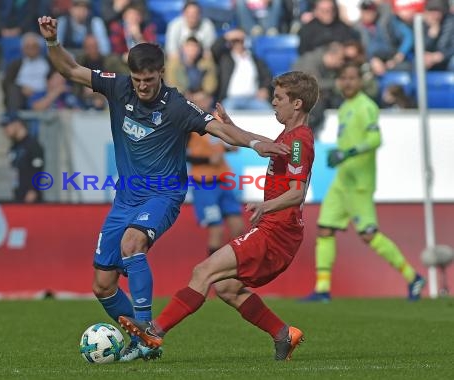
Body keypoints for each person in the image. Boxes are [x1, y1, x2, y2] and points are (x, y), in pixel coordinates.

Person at [38, 15, 291, 362]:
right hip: (126, 198)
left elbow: (220, 130)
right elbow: (70, 70)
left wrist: (253, 142)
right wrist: (52, 41)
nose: (143, 86)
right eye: (138, 80)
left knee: (132, 242)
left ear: (161, 73)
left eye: (149, 79)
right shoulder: (117, 86)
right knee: (103, 284)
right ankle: (140, 338)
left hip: (163, 194)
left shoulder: (176, 105)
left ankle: (145, 334)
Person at [118, 71, 319, 361]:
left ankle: (155, 332)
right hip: (277, 228)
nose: (273, 103)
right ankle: (284, 334)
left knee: (203, 271)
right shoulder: (291, 137)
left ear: (297, 103)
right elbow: (267, 149)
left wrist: (267, 206)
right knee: (227, 287)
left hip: (277, 230)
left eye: (278, 98)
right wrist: (233, 127)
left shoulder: (300, 141)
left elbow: (297, 193)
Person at [301, 63, 426, 302]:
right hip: (342, 182)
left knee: (369, 235)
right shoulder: (346, 106)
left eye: (352, 78)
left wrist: (348, 153)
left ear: (360, 81)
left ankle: (413, 277)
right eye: (343, 78)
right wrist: (338, 153)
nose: (347, 82)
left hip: (359, 184)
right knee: (325, 229)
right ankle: (322, 290)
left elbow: (375, 138)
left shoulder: (366, 106)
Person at [187, 132, 245, 256]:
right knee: (217, 231)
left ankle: (233, 265)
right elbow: (180, 154)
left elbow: (215, 146)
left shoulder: (216, 119)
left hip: (222, 181)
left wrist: (229, 149)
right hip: (204, 185)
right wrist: (207, 160)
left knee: (238, 227)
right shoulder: (189, 124)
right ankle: (214, 270)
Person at [0, 112, 45, 203]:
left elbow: (38, 170)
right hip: (18, 193)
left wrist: (33, 190)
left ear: (17, 124)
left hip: (30, 196)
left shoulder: (32, 145)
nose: (5, 130)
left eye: (7, 126)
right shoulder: (14, 147)